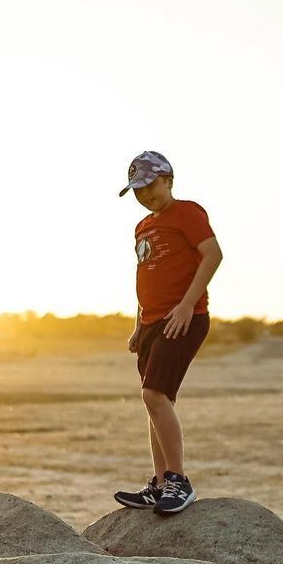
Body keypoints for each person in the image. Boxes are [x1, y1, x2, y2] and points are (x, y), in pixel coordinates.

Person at [113, 151, 223, 514]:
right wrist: (138, 324)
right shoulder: (142, 227)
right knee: (156, 402)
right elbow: (144, 277)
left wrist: (187, 305)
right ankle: (160, 485)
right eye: (138, 190)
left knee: (154, 394)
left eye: (150, 186)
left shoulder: (188, 212)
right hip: (151, 322)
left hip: (182, 318)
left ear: (168, 180)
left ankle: (178, 481)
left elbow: (213, 255)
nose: (145, 195)